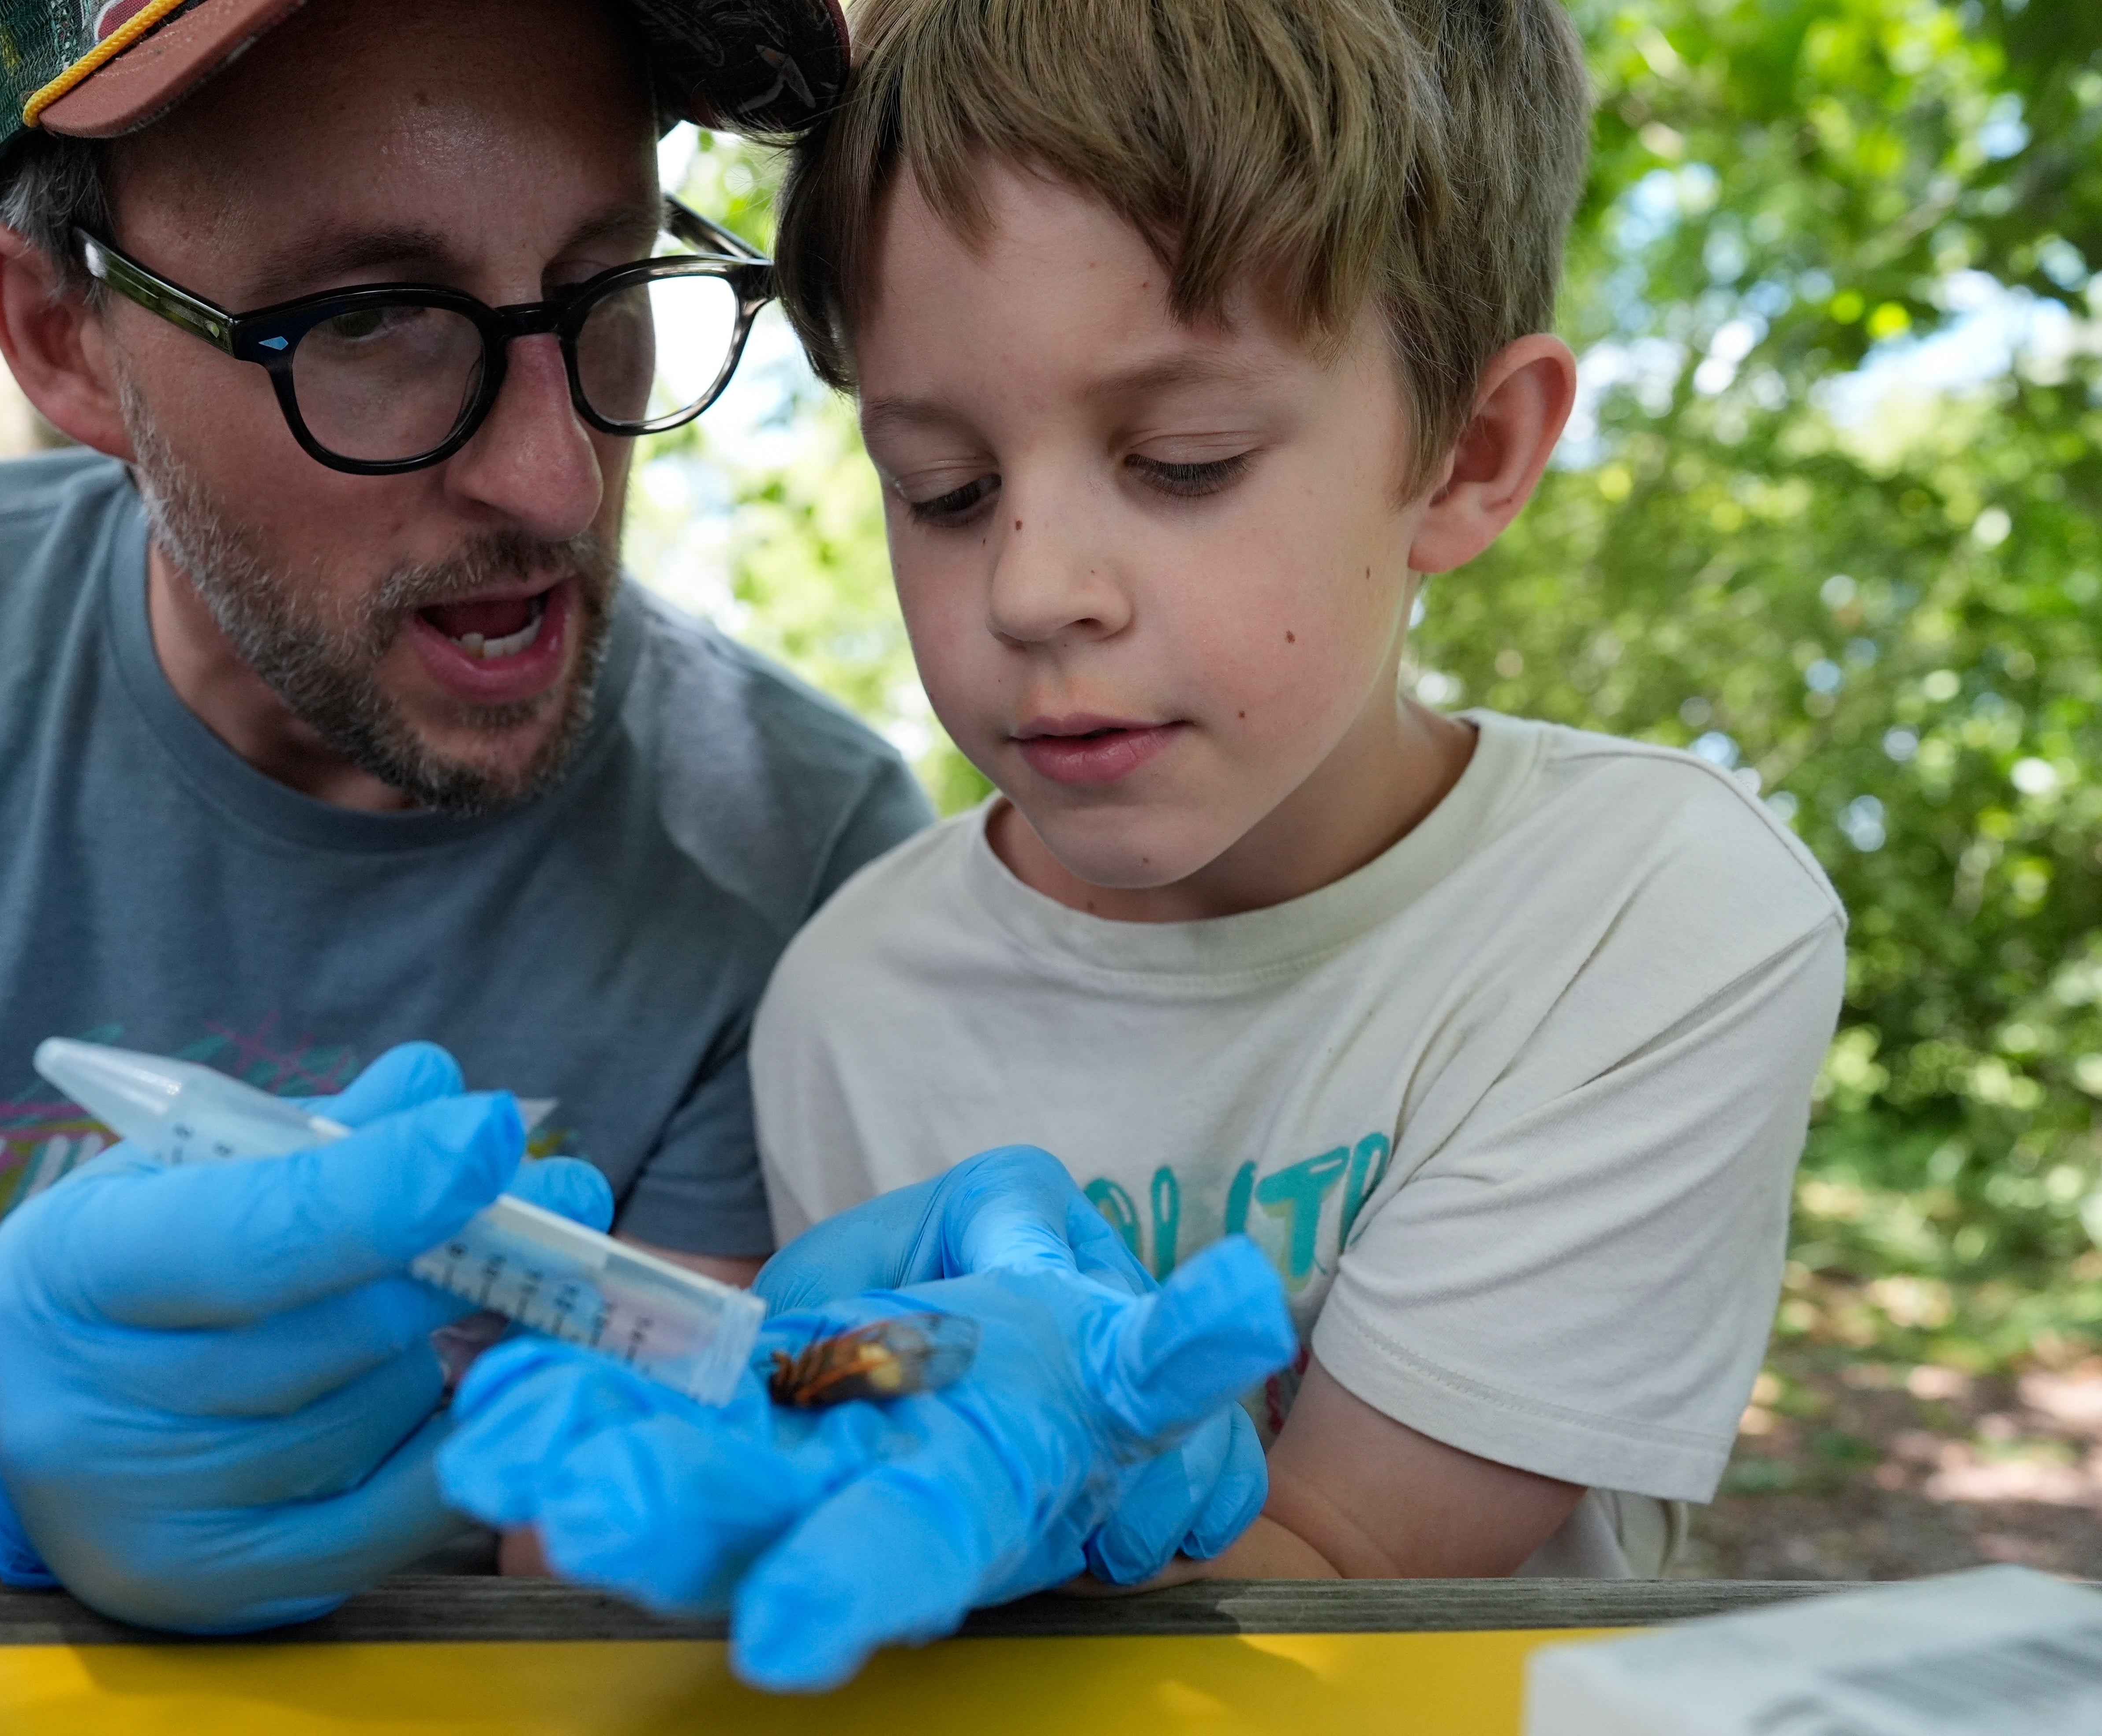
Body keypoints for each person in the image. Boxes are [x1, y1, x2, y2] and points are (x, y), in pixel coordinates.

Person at [0, 0, 931, 1581]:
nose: (556, 478)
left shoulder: (802, 844)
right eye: (373, 320)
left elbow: (615, 1562)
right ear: (63, 337)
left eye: (608, 287)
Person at [446, 0, 1849, 1607]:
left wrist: (1024, 1497)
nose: (1031, 589)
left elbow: (1349, 1577)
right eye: (946, 491)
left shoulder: (1637, 917)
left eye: (1184, 461)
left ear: (1469, 454)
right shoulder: (857, 993)